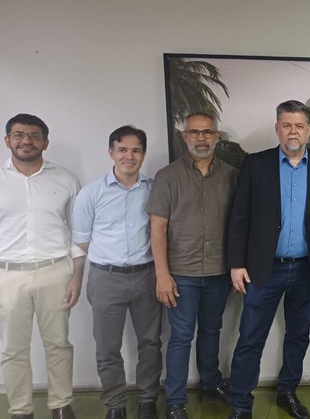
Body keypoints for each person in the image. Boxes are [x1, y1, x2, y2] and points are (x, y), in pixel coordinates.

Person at [227, 100, 310, 419]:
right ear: (277, 128)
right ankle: (241, 404)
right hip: (263, 270)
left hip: (307, 268)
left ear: (309, 130)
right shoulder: (255, 164)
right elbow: (239, 217)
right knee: (251, 337)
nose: (294, 131)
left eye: (300, 126)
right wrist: (236, 264)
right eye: (287, 125)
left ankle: (287, 391)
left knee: (298, 335)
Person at [145, 113, 238, 419]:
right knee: (181, 336)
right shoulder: (167, 176)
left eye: (207, 132)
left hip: (219, 272)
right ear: (184, 137)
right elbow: (157, 229)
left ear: (216, 137)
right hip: (181, 274)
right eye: (194, 133)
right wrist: (162, 275)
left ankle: (211, 383)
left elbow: (241, 224)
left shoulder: (232, 176)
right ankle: (175, 401)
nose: (201, 138)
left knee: (212, 330)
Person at [72, 126, 161, 419]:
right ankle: (115, 405)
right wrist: (85, 274)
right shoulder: (91, 193)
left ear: (143, 154)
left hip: (147, 275)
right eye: (122, 150)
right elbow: (81, 241)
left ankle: (148, 400)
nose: (129, 156)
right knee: (107, 347)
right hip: (105, 278)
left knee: (150, 343)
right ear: (111, 152)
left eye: (136, 150)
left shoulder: (155, 189)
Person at [0, 113, 86, 419]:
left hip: (55, 272)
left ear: (45, 142)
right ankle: (20, 410)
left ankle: (61, 404)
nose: (26, 140)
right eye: (19, 134)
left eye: (34, 135)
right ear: (7, 140)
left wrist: (77, 276)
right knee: (12, 348)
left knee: (58, 344)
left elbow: (78, 233)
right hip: (7, 275)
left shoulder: (66, 179)